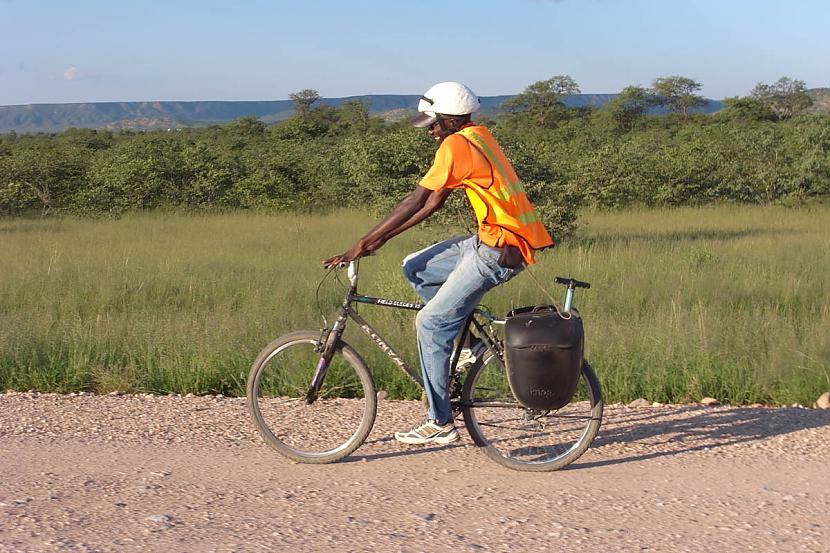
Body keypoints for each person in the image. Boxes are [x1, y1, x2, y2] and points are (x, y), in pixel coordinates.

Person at [323, 81, 553, 445]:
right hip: (491, 241)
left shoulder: (457, 145)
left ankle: (440, 421)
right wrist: (379, 241)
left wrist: (361, 244)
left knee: (429, 324)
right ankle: (469, 347)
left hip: (498, 251)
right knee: (416, 267)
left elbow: (415, 201)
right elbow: (434, 203)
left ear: (449, 119)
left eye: (432, 123)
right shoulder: (478, 136)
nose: (428, 130)